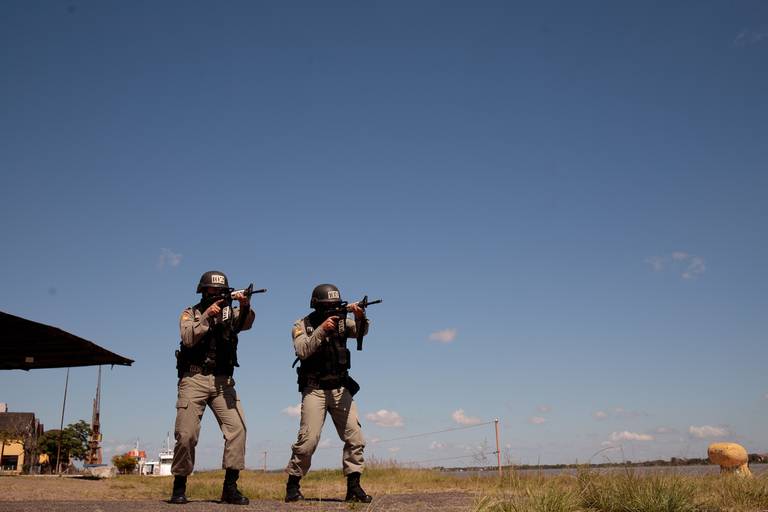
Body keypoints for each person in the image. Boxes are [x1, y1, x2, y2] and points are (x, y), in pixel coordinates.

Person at [169, 271, 255, 505]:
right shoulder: (191, 313)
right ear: (204, 291)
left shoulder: (231, 313)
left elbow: (245, 323)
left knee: (238, 429)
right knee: (186, 435)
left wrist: (245, 304)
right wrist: (207, 315)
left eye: (221, 291)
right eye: (213, 291)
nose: (217, 295)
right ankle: (179, 486)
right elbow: (188, 337)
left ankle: (230, 488)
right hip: (194, 378)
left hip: (223, 382)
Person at [284, 283, 373, 503]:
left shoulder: (344, 323)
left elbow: (362, 332)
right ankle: (293, 485)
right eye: (328, 306)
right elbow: (303, 350)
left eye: (336, 305)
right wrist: (323, 328)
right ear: (317, 305)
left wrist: (361, 317)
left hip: (341, 388)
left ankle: (354, 487)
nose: (333, 310)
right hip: (314, 390)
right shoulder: (302, 324)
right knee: (308, 441)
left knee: (355, 437)